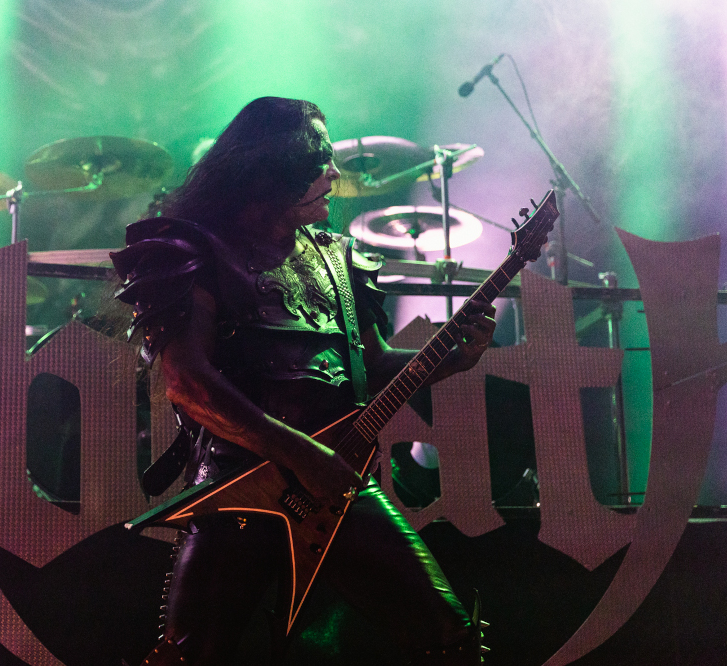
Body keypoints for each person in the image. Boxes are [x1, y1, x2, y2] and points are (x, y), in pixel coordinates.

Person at [111, 97, 496, 665]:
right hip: (237, 490)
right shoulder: (192, 249)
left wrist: (451, 359)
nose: (335, 173)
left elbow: (369, 368)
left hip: (334, 489)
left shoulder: (337, 258)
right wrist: (301, 454)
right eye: (318, 159)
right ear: (270, 167)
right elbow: (189, 383)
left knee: (452, 641)